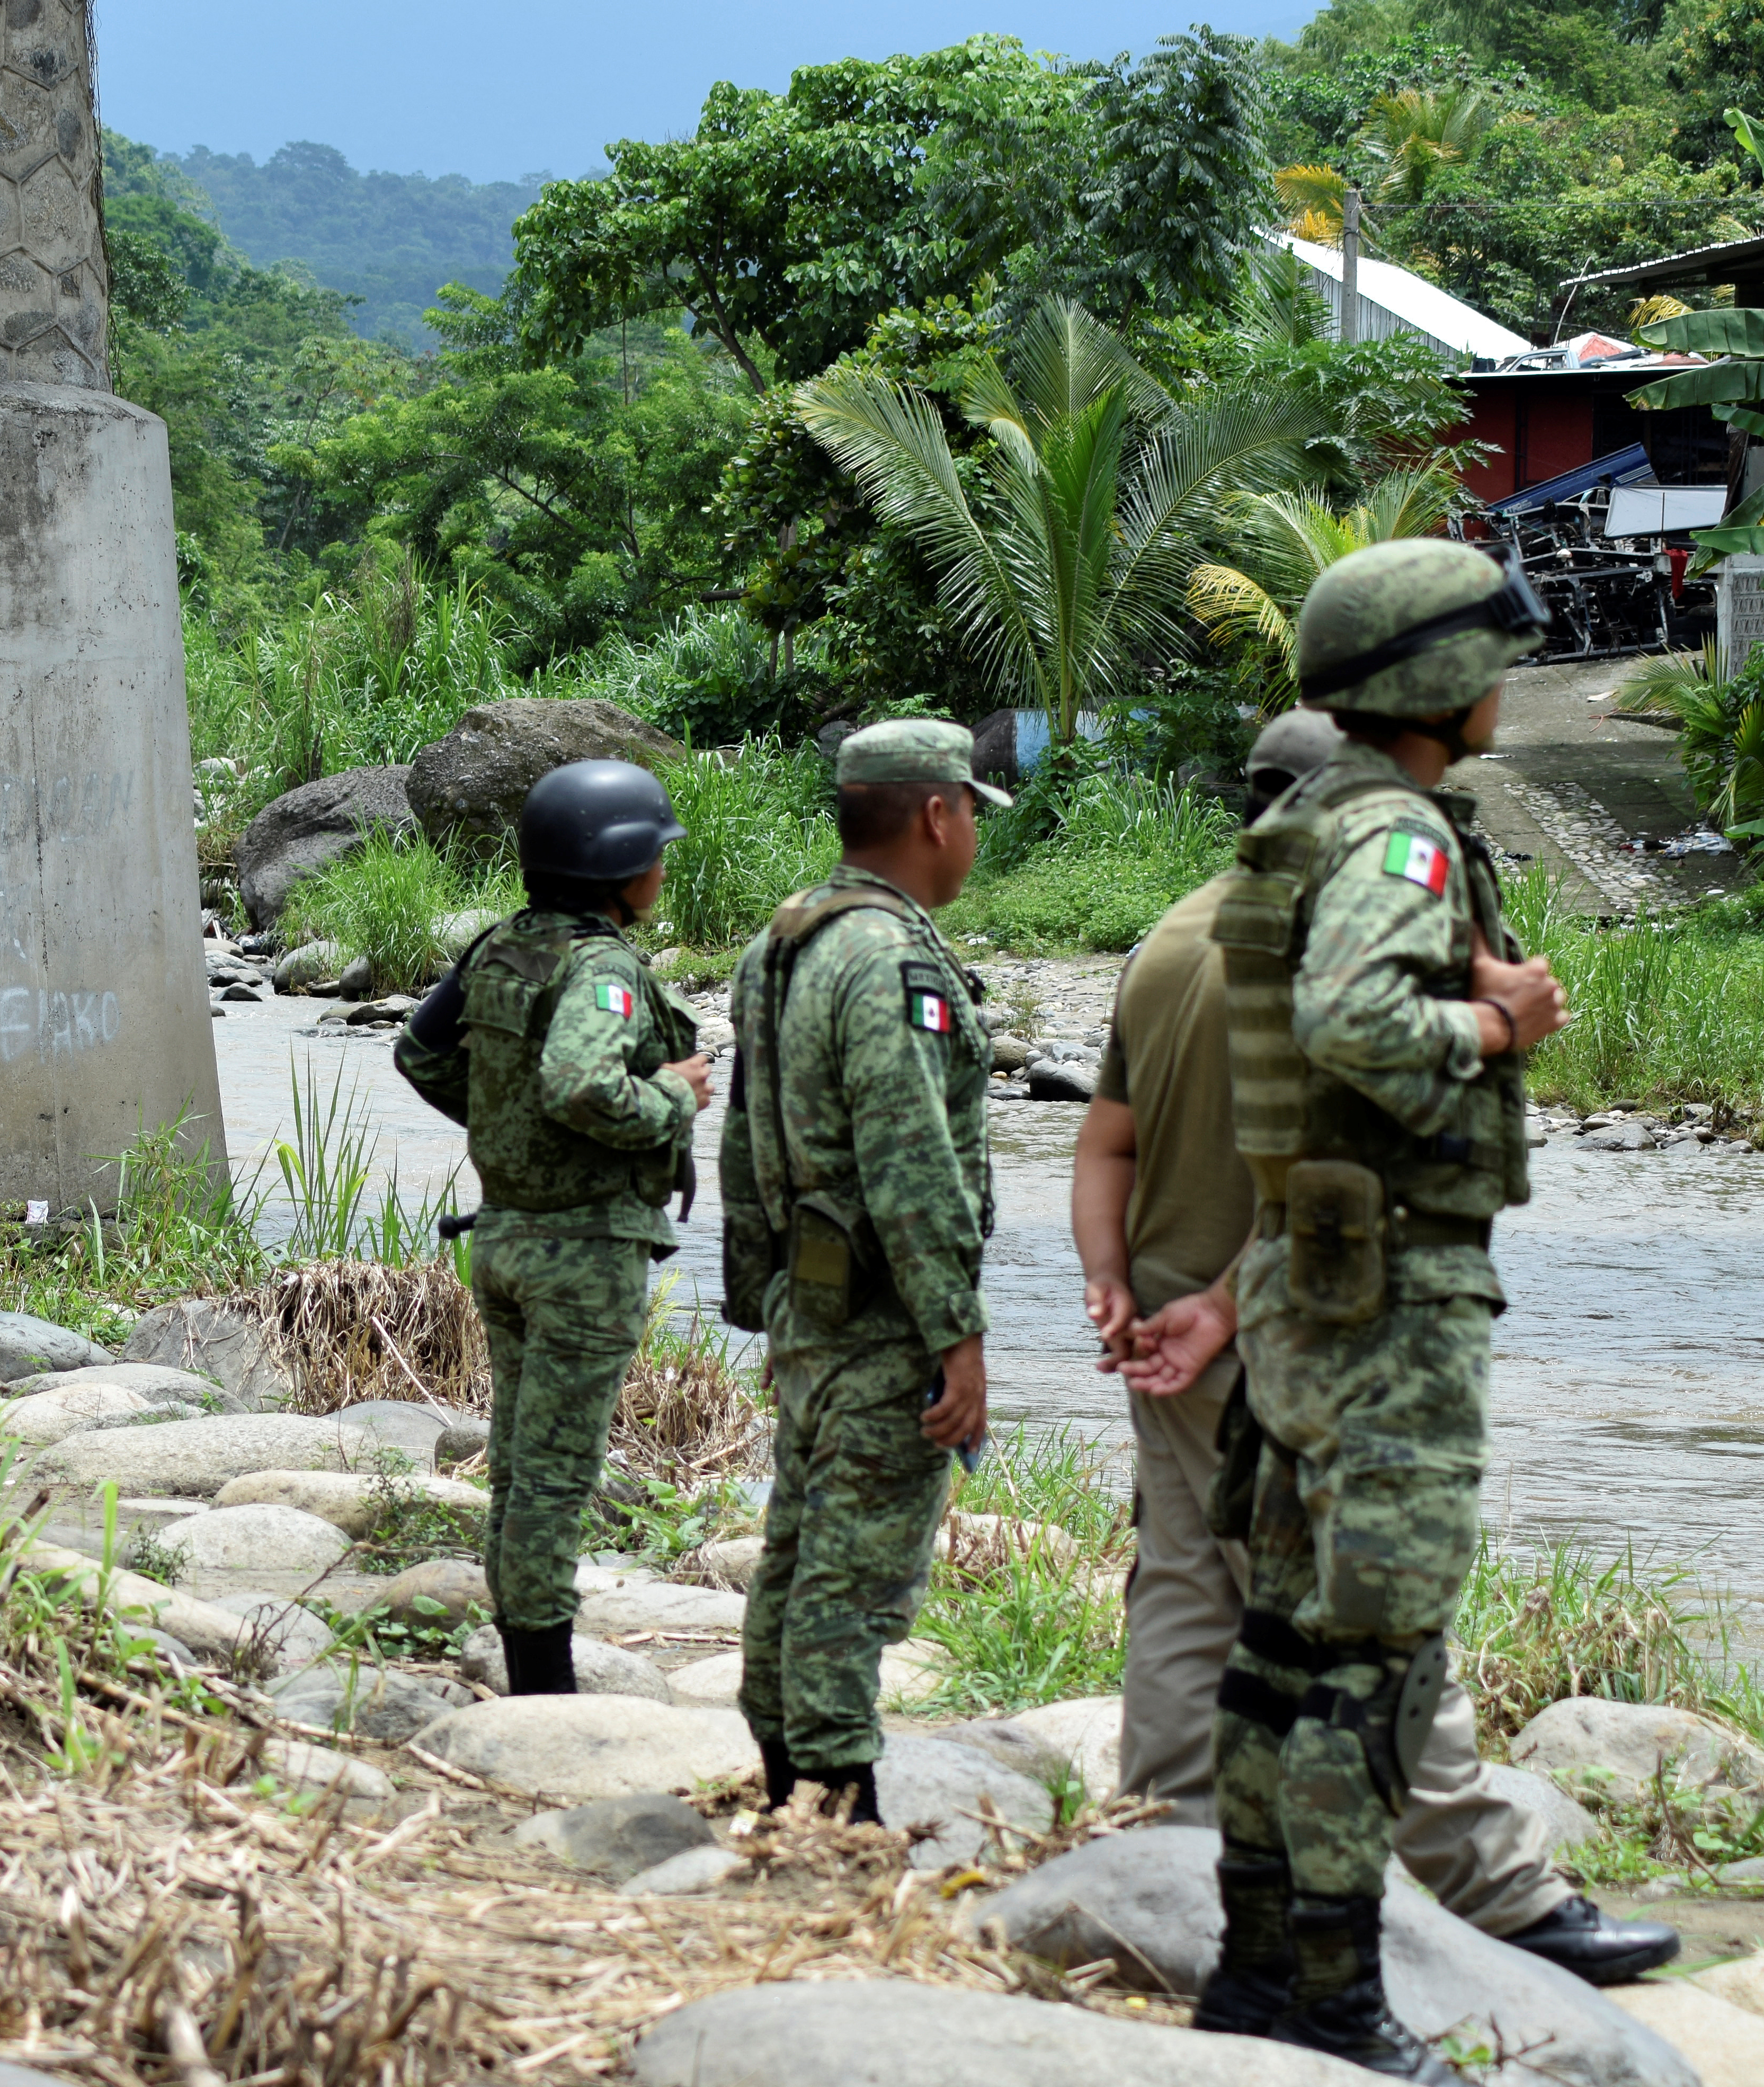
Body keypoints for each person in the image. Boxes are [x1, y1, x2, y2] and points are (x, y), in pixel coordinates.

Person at [1072, 706, 1677, 1993]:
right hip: (1285, 1312)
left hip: (1168, 1309)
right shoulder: (1341, 930)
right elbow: (1326, 1155)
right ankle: (1495, 1888)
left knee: (1185, 1586)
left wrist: (1111, 1282)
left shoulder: (1176, 935)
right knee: (1381, 1611)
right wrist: (1503, 1018)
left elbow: (1105, 1141)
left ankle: (1179, 1850)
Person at [1180, 541, 1588, 2087]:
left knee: (1279, 1650)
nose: (1501, 687)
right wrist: (1497, 1020)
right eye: (1486, 660)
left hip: (1296, 1278)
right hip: (1389, 1298)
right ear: (1433, 680)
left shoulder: (1299, 818)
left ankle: (1252, 1970)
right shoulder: (1401, 838)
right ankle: (1341, 2007)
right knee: (1374, 1657)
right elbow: (1355, 1021)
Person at [718, 718, 1004, 1821]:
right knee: (855, 1561)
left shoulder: (785, 938)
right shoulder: (889, 958)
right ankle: (840, 1801)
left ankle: (788, 1766)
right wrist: (957, 1331)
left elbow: (744, 1140)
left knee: (799, 1539)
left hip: (810, 1293)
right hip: (882, 1310)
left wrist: (765, 1298)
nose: (973, 829)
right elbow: (911, 1160)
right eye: (972, 808)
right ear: (937, 814)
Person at [394, 760, 708, 1697]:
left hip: (505, 1241)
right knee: (556, 1474)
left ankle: (525, 1660)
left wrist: (507, 1129)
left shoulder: (499, 947)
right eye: (656, 854)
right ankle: (542, 1686)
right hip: (584, 1253)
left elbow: (420, 1052)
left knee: (520, 1465)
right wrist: (669, 1098)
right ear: (618, 868)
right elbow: (581, 1084)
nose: (662, 870)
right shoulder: (604, 966)